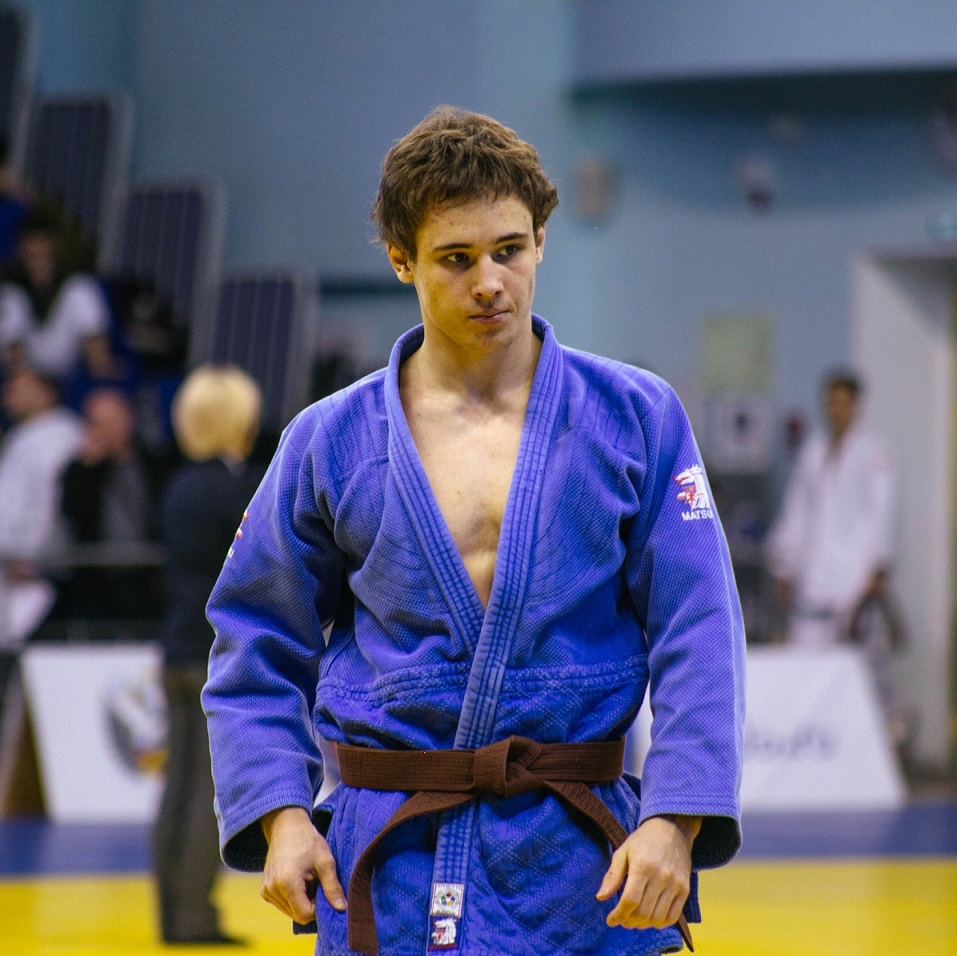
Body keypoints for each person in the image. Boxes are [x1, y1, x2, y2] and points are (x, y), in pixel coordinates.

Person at [202, 107, 745, 956]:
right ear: (401, 259)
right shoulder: (329, 440)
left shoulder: (634, 417)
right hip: (392, 857)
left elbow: (698, 629)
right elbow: (256, 637)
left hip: (585, 865)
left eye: (510, 250)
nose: (490, 282)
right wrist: (280, 815)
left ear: (541, 242)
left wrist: (675, 819)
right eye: (456, 259)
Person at [153, 365, 265, 946]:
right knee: (206, 789)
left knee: (176, 788)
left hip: (175, 644)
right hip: (211, 651)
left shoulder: (177, 486)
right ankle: (194, 915)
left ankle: (172, 912)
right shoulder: (234, 488)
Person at [767, 370, 897, 649]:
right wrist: (785, 566)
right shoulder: (813, 452)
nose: (834, 410)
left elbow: (882, 512)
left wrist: (878, 567)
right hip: (812, 578)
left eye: (841, 402)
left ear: (855, 405)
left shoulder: (874, 454)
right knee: (804, 660)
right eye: (829, 403)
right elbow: (796, 511)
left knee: (853, 664)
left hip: (854, 579)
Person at [54, 388, 169, 625]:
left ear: (129, 420)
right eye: (98, 424)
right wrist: (87, 468)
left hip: (148, 577)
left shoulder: (154, 464)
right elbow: (71, 515)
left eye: (112, 421)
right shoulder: (81, 470)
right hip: (98, 581)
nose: (107, 430)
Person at [0, 366, 82, 649]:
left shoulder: (59, 435)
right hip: (11, 564)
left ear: (47, 394)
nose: (9, 394)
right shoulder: (22, 435)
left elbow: (51, 500)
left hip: (34, 569)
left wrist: (31, 556)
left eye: (22, 388)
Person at [0, 207, 115, 385]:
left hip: (71, 373)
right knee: (11, 299)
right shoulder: (13, 290)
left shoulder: (75, 284)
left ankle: (102, 383)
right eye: (32, 257)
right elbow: (12, 348)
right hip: (27, 377)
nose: (39, 264)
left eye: (44, 256)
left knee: (81, 291)